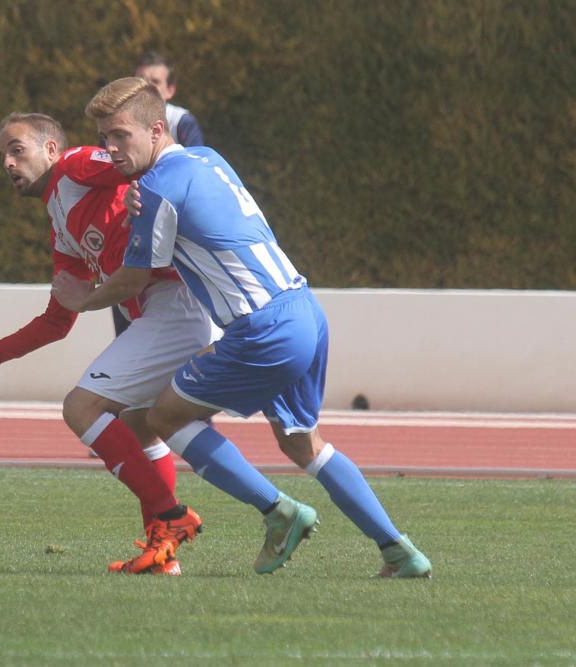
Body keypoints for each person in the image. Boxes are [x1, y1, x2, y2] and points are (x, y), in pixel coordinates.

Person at [53, 77, 432, 578]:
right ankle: (400, 551)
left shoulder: (158, 188)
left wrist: (83, 299)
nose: (110, 148)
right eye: (104, 137)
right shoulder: (209, 158)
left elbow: (135, 278)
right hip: (305, 311)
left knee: (160, 418)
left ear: (157, 129)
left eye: (120, 135)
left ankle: (280, 514)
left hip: (262, 328)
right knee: (303, 446)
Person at [0, 112, 216, 574]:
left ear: (50, 149)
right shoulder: (60, 220)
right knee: (140, 424)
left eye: (16, 149)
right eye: (1, 155)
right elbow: (57, 320)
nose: (6, 162)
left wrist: (148, 197)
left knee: (82, 409)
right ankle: (162, 553)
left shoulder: (76, 164)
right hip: (166, 310)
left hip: (177, 301)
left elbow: (140, 162)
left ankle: (173, 517)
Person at [111, 51, 206, 338]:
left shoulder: (181, 120)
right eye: (140, 80)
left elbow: (196, 166)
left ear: (169, 89)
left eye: (154, 81)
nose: (147, 86)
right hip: (132, 216)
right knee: (124, 283)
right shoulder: (117, 121)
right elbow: (111, 171)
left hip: (172, 221)